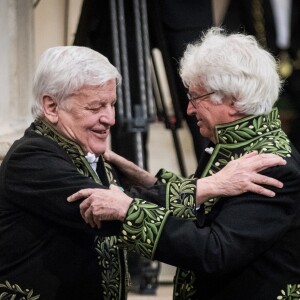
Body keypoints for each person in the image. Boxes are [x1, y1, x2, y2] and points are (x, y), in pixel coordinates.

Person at [0, 45, 285, 300]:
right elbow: (106, 211)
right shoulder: (31, 157)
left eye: (112, 104)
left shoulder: (267, 162)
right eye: (96, 106)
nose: (110, 118)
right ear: (51, 106)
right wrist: (210, 185)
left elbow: (130, 205)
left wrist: (149, 183)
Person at [68, 28, 300, 299]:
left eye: (195, 97)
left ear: (233, 101)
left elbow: (215, 251)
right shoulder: (236, 143)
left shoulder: (269, 164)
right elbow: (205, 209)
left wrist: (131, 211)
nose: (189, 109)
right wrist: (150, 182)